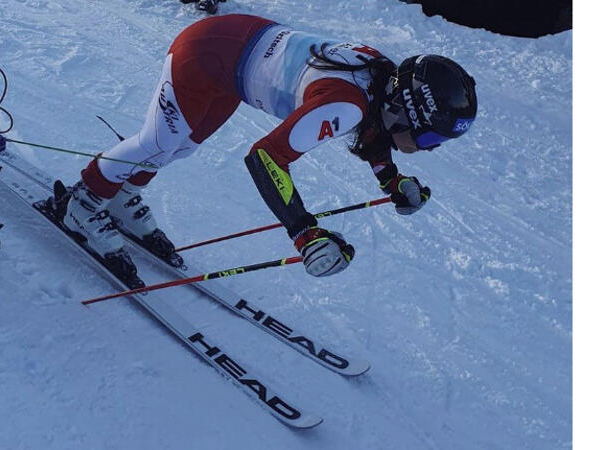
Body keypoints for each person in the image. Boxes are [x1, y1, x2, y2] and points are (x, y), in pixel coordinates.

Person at [57, 13, 478, 280]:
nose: (428, 148)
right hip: (206, 55)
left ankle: (122, 195)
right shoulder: (347, 105)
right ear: (405, 111)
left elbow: (375, 130)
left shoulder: (380, 80)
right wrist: (305, 234)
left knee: (179, 147)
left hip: (233, 56)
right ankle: (85, 200)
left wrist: (390, 179)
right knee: (157, 142)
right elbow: (264, 158)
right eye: (429, 137)